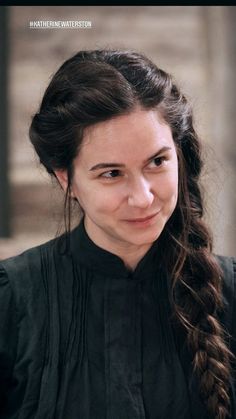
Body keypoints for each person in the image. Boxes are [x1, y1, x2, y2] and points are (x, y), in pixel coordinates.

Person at [0, 48, 235, 419]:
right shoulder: (12, 301)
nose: (142, 198)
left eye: (157, 162)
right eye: (111, 173)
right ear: (67, 180)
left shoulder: (230, 292)